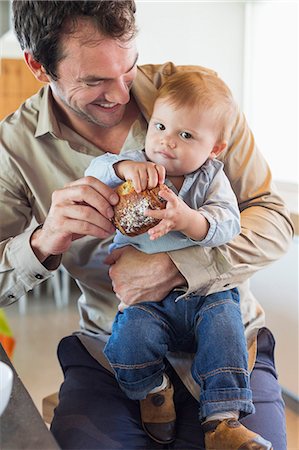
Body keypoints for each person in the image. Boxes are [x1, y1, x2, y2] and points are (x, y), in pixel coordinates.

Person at [0, 1, 292, 449]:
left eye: (128, 69)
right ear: (39, 67)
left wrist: (180, 266)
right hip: (112, 350)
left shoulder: (198, 99)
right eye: (94, 81)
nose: (119, 95)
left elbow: (273, 217)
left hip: (231, 338)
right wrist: (41, 241)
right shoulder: (14, 149)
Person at [84, 70, 272, 448]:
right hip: (148, 301)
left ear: (214, 148)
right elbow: (94, 171)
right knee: (130, 339)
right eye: (161, 126)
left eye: (186, 135)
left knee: (226, 335)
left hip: (207, 295)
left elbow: (229, 224)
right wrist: (122, 168)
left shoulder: (211, 179)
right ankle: (154, 390)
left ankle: (222, 419)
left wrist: (190, 220)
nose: (167, 142)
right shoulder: (136, 165)